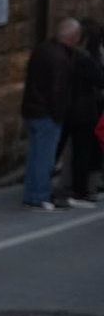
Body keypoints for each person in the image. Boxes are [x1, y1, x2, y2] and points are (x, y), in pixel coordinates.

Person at [20, 17, 83, 212]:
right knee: (44, 157)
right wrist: (59, 114)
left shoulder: (42, 49)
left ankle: (32, 194)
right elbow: (57, 89)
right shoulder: (60, 58)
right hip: (46, 113)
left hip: (32, 109)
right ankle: (39, 196)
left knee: (36, 155)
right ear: (73, 37)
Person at [61, 19, 102, 207]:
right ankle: (80, 191)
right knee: (82, 151)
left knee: (70, 150)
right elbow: (99, 79)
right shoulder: (84, 59)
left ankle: (71, 187)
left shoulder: (68, 56)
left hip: (68, 108)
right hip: (83, 110)